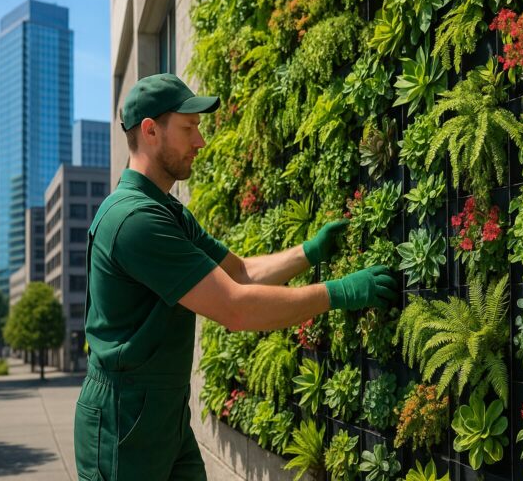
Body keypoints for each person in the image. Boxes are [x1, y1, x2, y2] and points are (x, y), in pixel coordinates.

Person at [73, 73, 398, 480]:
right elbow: (235, 309)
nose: (200, 141)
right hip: (124, 422)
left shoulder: (166, 212)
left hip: (161, 413)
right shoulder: (134, 219)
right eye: (189, 128)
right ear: (150, 131)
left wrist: (308, 252)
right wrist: (341, 292)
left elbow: (242, 272)